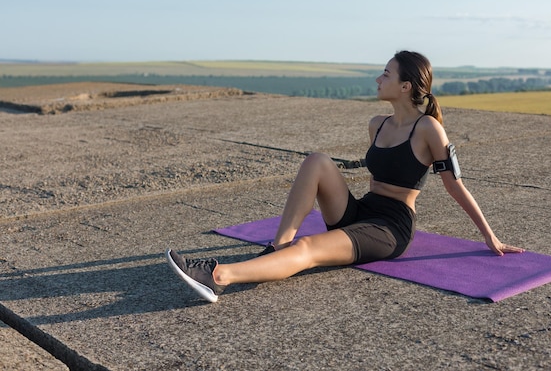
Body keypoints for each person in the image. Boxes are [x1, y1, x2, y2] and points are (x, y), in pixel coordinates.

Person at [166, 50, 524, 302]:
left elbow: (454, 184)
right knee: (317, 161)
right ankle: (277, 247)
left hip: (390, 228)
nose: (378, 78)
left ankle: (217, 277)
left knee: (310, 249)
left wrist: (489, 237)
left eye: (386, 73)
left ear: (405, 86)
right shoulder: (377, 124)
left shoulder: (428, 128)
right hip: (360, 213)